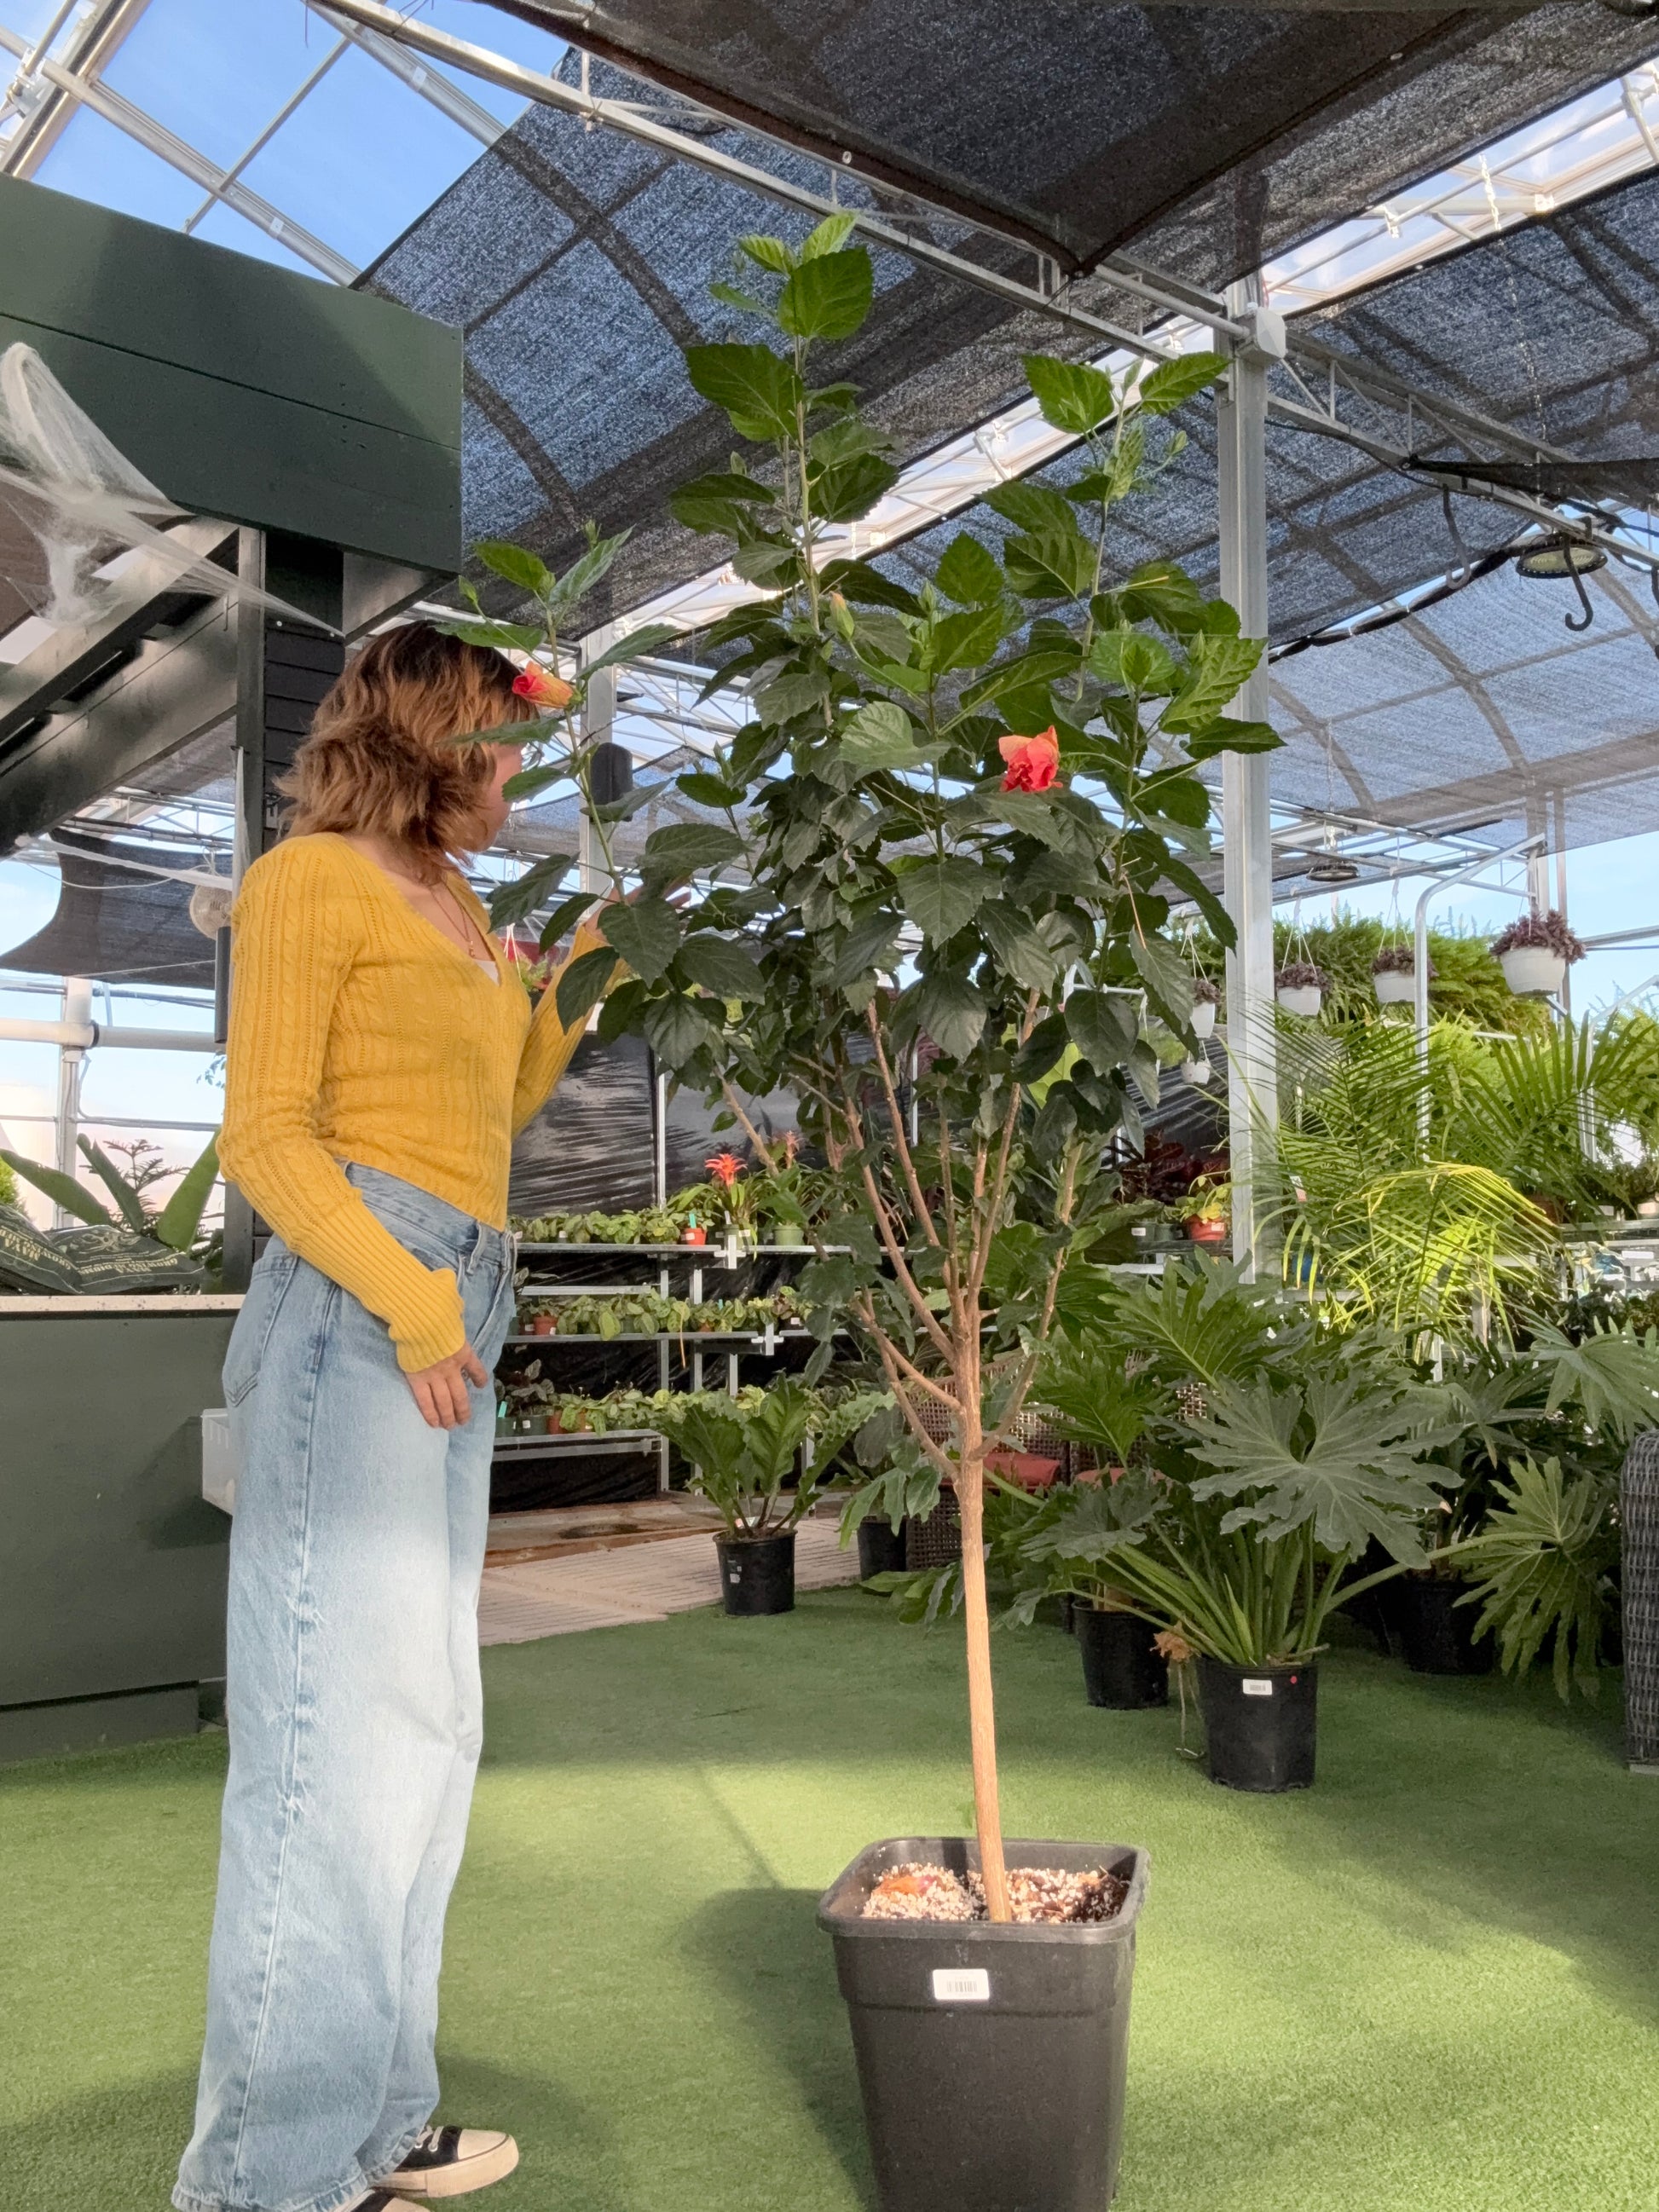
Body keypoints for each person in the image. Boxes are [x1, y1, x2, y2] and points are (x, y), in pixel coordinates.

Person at [176, 624, 597, 2212]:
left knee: (424, 1734)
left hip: (454, 1292)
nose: (516, 775)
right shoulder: (313, 879)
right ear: (434, 734)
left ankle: (370, 2122)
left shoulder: (461, 902)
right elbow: (267, 1140)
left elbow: (490, 1115)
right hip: (365, 1306)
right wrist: (412, 1300)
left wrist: (576, 982)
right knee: (332, 1747)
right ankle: (268, 2179)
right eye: (501, 743)